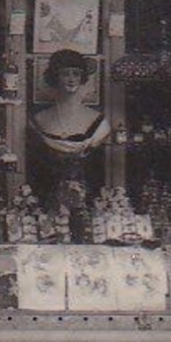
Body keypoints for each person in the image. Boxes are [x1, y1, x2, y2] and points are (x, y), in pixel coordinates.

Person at [27, 49, 111, 240]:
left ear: (83, 78)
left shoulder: (98, 123)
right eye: (65, 73)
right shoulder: (40, 120)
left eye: (76, 74)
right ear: (55, 77)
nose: (71, 79)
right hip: (49, 204)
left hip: (88, 205)